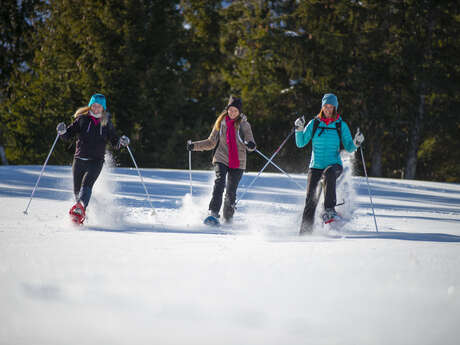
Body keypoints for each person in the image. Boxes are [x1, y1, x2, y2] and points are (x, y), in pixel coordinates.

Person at [294, 93, 364, 234]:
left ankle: (329, 210)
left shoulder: (340, 125)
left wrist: (356, 142)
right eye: (326, 106)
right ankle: (305, 232)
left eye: (331, 107)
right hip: (315, 166)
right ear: (322, 107)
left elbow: (349, 147)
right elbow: (300, 143)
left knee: (329, 173)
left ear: (335, 108)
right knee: (310, 200)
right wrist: (299, 129)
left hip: (334, 165)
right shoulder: (314, 123)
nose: (328, 109)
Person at [56, 93, 130, 223]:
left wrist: (121, 142)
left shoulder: (106, 124)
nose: (96, 109)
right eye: (94, 106)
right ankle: (81, 215)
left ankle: (80, 209)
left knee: (87, 186)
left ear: (103, 109)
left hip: (96, 162)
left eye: (99, 107)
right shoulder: (82, 120)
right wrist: (62, 132)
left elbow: (114, 142)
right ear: (90, 106)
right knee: (77, 192)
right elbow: (68, 135)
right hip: (79, 160)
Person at [187, 96, 256, 223]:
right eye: (230, 110)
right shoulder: (221, 122)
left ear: (239, 112)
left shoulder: (244, 125)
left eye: (235, 111)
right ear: (227, 109)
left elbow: (250, 142)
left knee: (231, 191)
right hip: (221, 157)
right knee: (220, 183)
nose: (232, 113)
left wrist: (251, 145)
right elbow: (211, 142)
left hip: (238, 161)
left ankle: (228, 218)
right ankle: (213, 213)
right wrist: (194, 146)